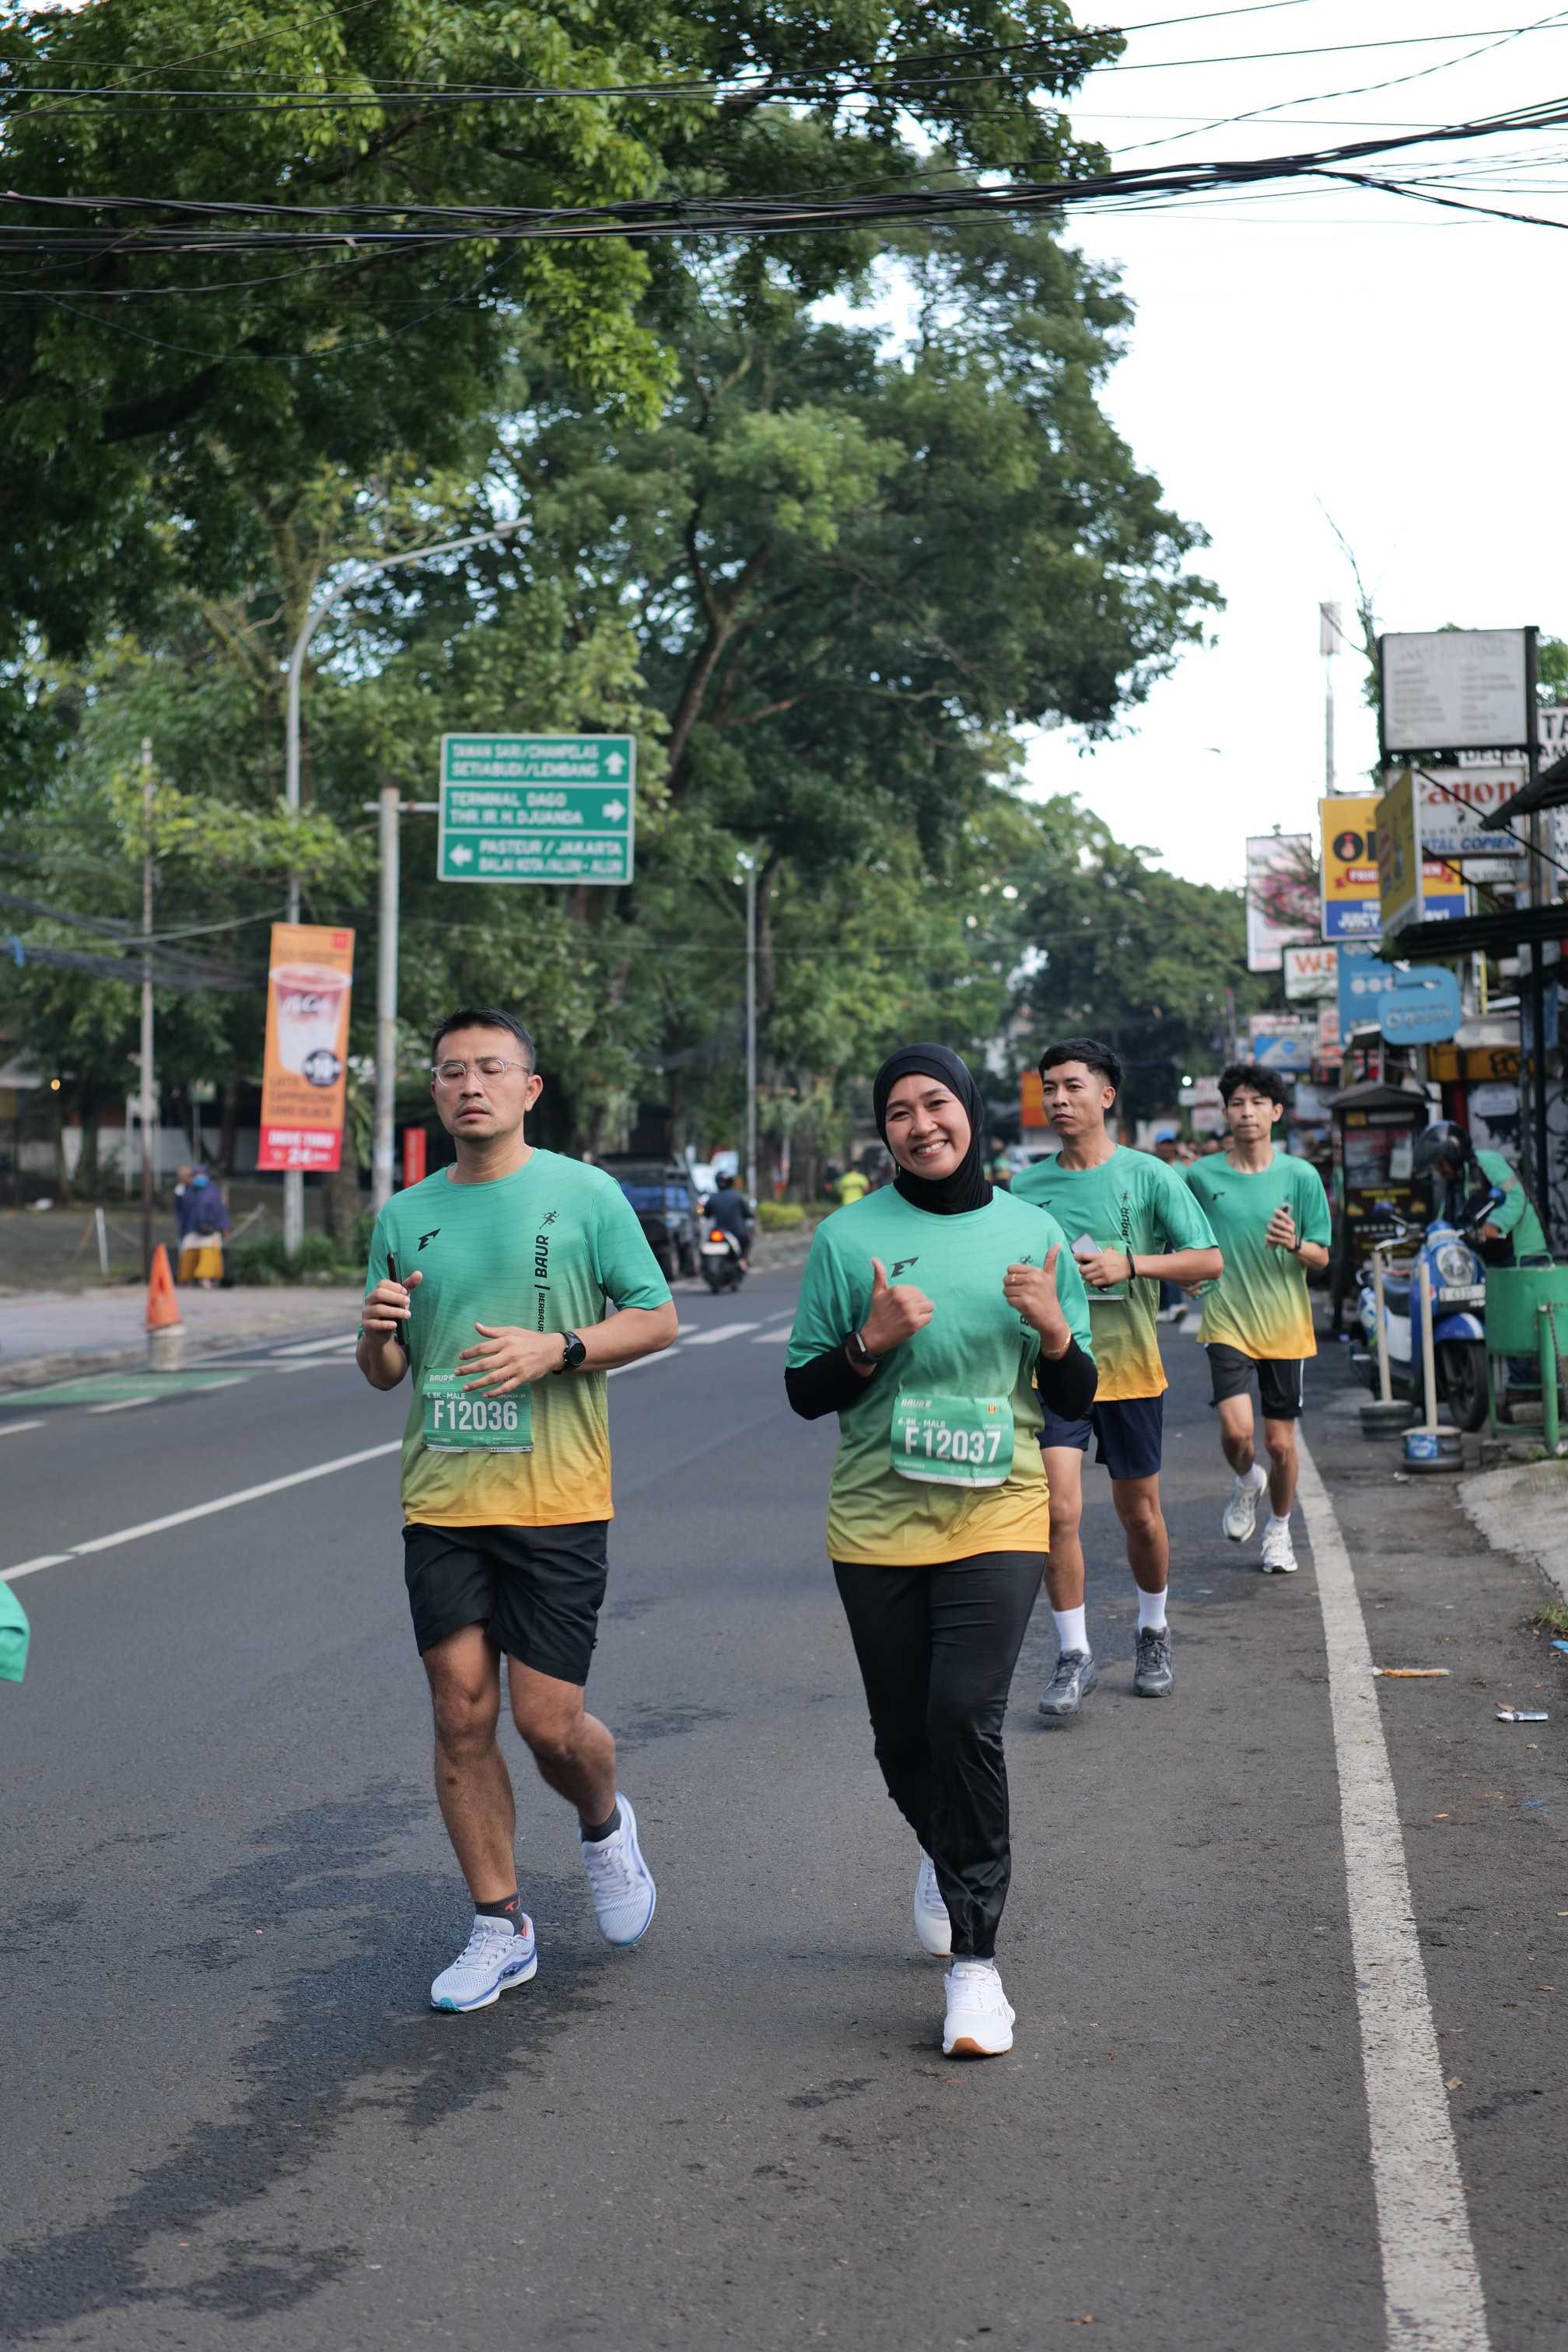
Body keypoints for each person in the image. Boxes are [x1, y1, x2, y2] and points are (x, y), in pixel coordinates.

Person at [359, 1008, 680, 2014]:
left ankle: (604, 1823)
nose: (470, 1085)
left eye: (491, 1068)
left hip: (556, 1494)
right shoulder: (404, 1214)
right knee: (460, 1711)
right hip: (443, 1496)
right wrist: (374, 1335)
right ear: (435, 1091)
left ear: (529, 1089)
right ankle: (501, 1926)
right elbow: (386, 1371)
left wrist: (561, 1348)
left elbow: (658, 1317)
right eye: (452, 1070)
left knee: (548, 1723)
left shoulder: (585, 1195)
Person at [786, 1045, 1095, 2059]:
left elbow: (1076, 1393)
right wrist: (867, 1342)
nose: (921, 1125)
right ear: (884, 1132)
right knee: (902, 1741)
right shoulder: (847, 1239)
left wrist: (1056, 1331)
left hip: (998, 1514)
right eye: (899, 1113)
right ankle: (950, 1844)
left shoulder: (1032, 1234)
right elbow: (804, 1390)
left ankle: (976, 1964)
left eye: (936, 1103)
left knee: (963, 1715)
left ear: (969, 1110)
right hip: (876, 1523)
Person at [1011, 1040, 1220, 1714]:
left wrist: (1131, 1265)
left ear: (1106, 1096)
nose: (1058, 1099)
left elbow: (1208, 1260)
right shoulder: (1025, 1188)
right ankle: (1073, 1653)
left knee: (1142, 1517)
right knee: (1058, 1512)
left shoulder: (1149, 1175)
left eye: (1072, 1086)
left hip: (1129, 1370)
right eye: (1049, 1087)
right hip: (1054, 1370)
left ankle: (1153, 1630)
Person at [1185, 1066, 1332, 1575]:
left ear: (1276, 1112)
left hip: (1286, 1325)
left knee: (1280, 1444)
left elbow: (1322, 1256)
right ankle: (1248, 1481)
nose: (1247, 1112)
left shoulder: (1301, 1176)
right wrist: (1186, 1275)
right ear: (1226, 1113)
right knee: (1237, 1432)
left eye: (1257, 1103)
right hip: (1226, 1318)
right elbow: (1181, 1236)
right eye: (1237, 1103)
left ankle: (1279, 1530)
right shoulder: (1201, 1176)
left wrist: (1295, 1242)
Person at [1412, 1121, 1547, 1262]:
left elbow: (1515, 1195)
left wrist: (1494, 1224)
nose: (1439, 1171)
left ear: (1453, 1154)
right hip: (1492, 1257)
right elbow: (1444, 1220)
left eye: (1441, 1163)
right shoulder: (1455, 1184)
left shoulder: (1487, 1161)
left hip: (1524, 1254)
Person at [1150, 1132, 1190, 1323]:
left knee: (1172, 1266)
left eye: (1169, 1144)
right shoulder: (1150, 1167)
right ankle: (1164, 1306)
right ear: (1157, 1146)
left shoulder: (1184, 1170)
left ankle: (1175, 1304)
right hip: (1154, 1227)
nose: (1166, 1148)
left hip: (1178, 1226)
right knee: (1157, 1269)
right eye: (1163, 1144)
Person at [177, 1167, 230, 1288]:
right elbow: (182, 1211)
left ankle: (206, 1277)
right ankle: (187, 1279)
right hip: (191, 1228)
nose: (199, 1177)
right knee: (188, 1255)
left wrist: (225, 1226)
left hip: (210, 1228)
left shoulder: (213, 1191)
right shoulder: (188, 1192)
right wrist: (182, 1226)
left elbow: (220, 1210)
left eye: (201, 1174)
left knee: (209, 1254)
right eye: (196, 1175)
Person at [703, 1171, 752, 1265]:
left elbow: (704, 1213)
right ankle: (742, 1261)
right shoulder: (738, 1197)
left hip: (719, 1231)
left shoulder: (712, 1198)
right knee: (746, 1242)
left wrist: (698, 1209)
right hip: (737, 1232)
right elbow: (748, 1213)